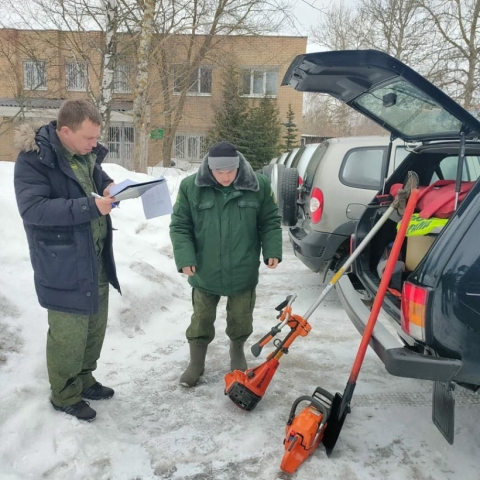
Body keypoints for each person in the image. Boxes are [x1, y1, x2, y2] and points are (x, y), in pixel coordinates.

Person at [13, 99, 121, 421]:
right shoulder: (34, 161)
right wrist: (90, 208)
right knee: (69, 335)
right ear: (64, 131)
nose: (95, 145)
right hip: (62, 264)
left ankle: (85, 379)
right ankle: (64, 394)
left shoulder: (83, 153)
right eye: (89, 138)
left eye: (96, 138)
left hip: (94, 258)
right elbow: (34, 210)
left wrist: (108, 184)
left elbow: (93, 177)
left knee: (93, 328)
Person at [169, 141, 282, 387]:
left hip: (243, 268)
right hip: (204, 270)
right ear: (209, 169)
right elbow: (180, 225)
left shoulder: (258, 186)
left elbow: (270, 220)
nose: (225, 177)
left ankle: (237, 352)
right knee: (201, 317)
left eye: (230, 171)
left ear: (238, 166)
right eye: (219, 172)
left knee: (241, 316)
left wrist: (272, 249)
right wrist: (185, 258)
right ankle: (196, 363)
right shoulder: (191, 187)